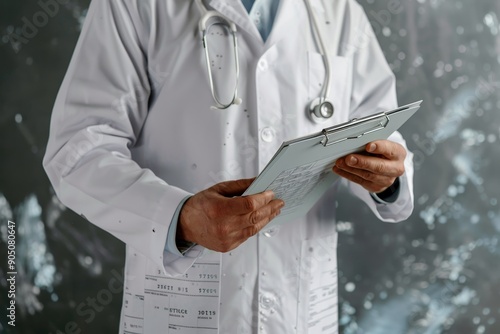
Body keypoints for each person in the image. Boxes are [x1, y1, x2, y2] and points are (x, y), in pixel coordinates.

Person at [43, 0, 414, 333]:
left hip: (302, 311)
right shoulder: (134, 6)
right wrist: (179, 217)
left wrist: (386, 178)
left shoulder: (339, 11)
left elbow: (381, 131)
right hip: (182, 310)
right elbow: (78, 149)